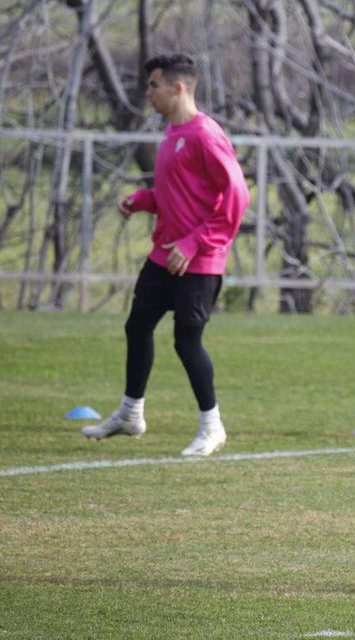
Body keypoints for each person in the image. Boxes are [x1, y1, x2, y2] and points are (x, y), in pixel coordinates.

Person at [82, 54, 250, 458]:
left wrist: (194, 243)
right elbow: (182, 195)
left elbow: (237, 197)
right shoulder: (172, 133)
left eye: (154, 85)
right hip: (165, 254)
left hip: (200, 258)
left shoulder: (205, 134)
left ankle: (212, 426)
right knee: (137, 326)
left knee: (186, 341)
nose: (148, 92)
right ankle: (130, 413)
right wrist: (144, 200)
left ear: (178, 88)